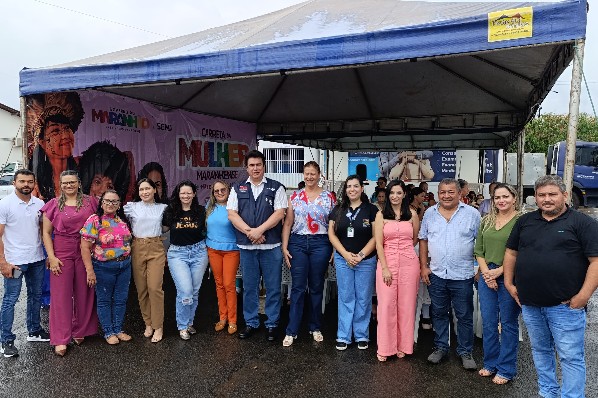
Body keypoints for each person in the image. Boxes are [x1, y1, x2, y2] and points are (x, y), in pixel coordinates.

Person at [503, 175, 598, 397]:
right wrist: (509, 282)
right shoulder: (524, 222)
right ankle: (548, 393)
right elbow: (511, 252)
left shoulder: (583, 223)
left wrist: (583, 296)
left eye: (552, 194)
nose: (547, 199)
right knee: (541, 351)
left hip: (565, 307)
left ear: (564, 195)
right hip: (530, 304)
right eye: (542, 195)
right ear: (535, 197)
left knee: (570, 356)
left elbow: (596, 262)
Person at [419, 178, 481, 370]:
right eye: (442, 192)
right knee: (438, 313)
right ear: (438, 193)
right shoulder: (430, 213)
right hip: (437, 274)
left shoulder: (472, 214)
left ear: (459, 193)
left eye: (450, 192)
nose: (446, 196)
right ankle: (440, 347)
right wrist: (423, 266)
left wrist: (479, 267)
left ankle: (465, 351)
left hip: (462, 275)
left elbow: (480, 242)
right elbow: (423, 240)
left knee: (463, 315)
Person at [227, 150, 287, 341]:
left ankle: (272, 324)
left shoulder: (277, 187)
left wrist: (259, 230)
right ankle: (251, 322)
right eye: (251, 165)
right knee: (250, 288)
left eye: (258, 165)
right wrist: (250, 232)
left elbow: (279, 214)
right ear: (247, 168)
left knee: (273, 288)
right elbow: (232, 214)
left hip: (271, 248)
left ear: (264, 166)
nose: (255, 168)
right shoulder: (237, 188)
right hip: (247, 248)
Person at [41, 170, 98, 356]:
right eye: (65, 183)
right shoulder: (53, 204)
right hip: (62, 251)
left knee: (85, 290)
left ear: (79, 183)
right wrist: (51, 256)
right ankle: (60, 338)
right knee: (60, 296)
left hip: (85, 249)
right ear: (60, 184)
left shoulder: (91, 202)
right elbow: (46, 233)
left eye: (72, 182)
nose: (69, 186)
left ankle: (81, 329)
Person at [281, 161, 336, 347]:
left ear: (319, 174)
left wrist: (335, 249)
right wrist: (285, 247)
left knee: (316, 286)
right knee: (297, 287)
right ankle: (292, 330)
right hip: (297, 243)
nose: (310, 177)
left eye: (313, 173)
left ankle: (315, 326)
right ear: (303, 175)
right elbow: (288, 223)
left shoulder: (329, 197)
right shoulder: (294, 196)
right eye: (307, 173)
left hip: (321, 243)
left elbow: (333, 225)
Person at [473, 183, 521, 384]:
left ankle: (506, 369)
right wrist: (487, 274)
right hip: (487, 274)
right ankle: (491, 363)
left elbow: (522, 251)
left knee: (508, 323)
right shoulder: (486, 221)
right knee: (490, 322)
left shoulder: (522, 221)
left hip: (510, 274)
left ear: (514, 198)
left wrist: (500, 272)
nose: (501, 201)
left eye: (505, 196)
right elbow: (479, 250)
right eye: (497, 197)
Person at [0, 170, 50, 357]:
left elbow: (41, 232)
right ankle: (6, 341)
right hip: (14, 262)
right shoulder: (5, 204)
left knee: (35, 296)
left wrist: (46, 256)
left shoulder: (40, 204)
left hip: (36, 259)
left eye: (30, 181)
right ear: (14, 183)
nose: (26, 184)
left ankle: (34, 331)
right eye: (22, 181)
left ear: (34, 183)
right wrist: (3, 263)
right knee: (10, 300)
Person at [328, 175, 378, 351]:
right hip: (343, 260)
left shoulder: (372, 210)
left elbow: (376, 236)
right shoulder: (337, 210)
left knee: (363, 298)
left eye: (356, 186)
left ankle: (361, 335)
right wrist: (345, 255)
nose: (352, 189)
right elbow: (332, 235)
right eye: (349, 186)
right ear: (346, 189)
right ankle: (343, 335)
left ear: (362, 189)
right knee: (346, 297)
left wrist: (361, 255)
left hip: (366, 260)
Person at [374, 180, 420, 361]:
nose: (395, 196)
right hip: (387, 262)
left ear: (404, 195)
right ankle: (385, 347)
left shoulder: (413, 215)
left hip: (409, 263)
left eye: (399, 193)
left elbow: (414, 239)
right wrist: (385, 267)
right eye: (392, 193)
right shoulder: (380, 215)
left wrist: (405, 254)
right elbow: (378, 243)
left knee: (406, 306)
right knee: (386, 305)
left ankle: (403, 345)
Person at [80, 189, 133, 345]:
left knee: (121, 299)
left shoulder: (122, 220)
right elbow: (84, 247)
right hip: (104, 267)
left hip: (125, 265)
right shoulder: (95, 220)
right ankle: (108, 332)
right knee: (104, 300)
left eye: (114, 202)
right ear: (101, 203)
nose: (111, 204)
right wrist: (90, 271)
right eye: (107, 201)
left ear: (119, 205)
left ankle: (118, 329)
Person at [162, 180, 209, 340]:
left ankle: (189, 323)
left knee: (194, 291)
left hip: (199, 252)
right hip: (177, 254)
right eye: (183, 192)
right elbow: (161, 230)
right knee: (185, 291)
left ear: (194, 194)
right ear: (178, 194)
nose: (186, 195)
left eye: (189, 192)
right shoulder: (171, 211)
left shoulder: (202, 211)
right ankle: (182, 326)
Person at [123, 178, 168, 343]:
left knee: (154, 288)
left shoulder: (162, 208)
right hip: (138, 247)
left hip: (156, 246)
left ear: (154, 190)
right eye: (141, 190)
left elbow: (166, 227)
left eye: (148, 189)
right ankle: (148, 323)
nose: (144, 192)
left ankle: (158, 325)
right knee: (141, 289)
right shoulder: (131, 207)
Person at [26, 92, 84, 201]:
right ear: (41, 142)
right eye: (55, 131)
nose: (65, 136)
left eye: (67, 128)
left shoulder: (83, 172)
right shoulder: (34, 184)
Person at [206, 180, 240, 335]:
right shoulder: (209, 207)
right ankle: (223, 318)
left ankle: (233, 320)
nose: (219, 193)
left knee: (229, 284)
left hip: (231, 250)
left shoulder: (234, 207)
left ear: (228, 190)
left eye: (222, 190)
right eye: (216, 191)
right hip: (213, 249)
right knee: (219, 284)